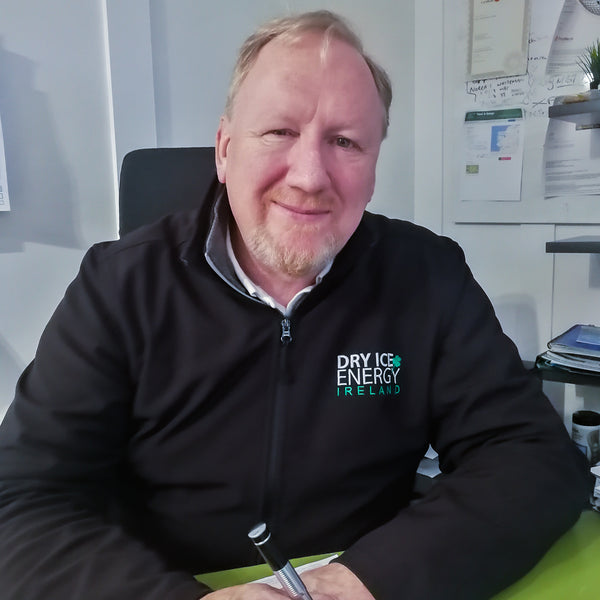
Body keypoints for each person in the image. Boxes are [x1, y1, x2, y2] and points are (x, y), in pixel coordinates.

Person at [0, 10, 593, 600]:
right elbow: (20, 502)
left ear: (374, 163)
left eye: (345, 141)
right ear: (226, 149)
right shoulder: (119, 285)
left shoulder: (427, 276)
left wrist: (362, 580)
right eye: (279, 132)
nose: (310, 175)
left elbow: (535, 457)